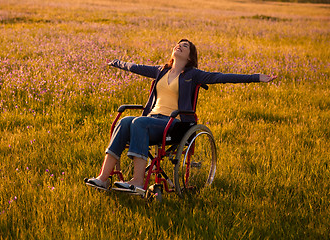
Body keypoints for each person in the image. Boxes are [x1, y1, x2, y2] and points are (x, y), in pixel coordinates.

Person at [85, 39, 277, 191]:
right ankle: (102, 179)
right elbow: (135, 67)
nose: (179, 46)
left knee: (138, 123)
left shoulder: (193, 74)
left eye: (185, 46)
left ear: (190, 56)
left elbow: (223, 77)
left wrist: (257, 77)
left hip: (174, 124)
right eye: (178, 44)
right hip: (151, 120)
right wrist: (115, 63)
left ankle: (137, 182)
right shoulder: (161, 71)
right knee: (127, 120)